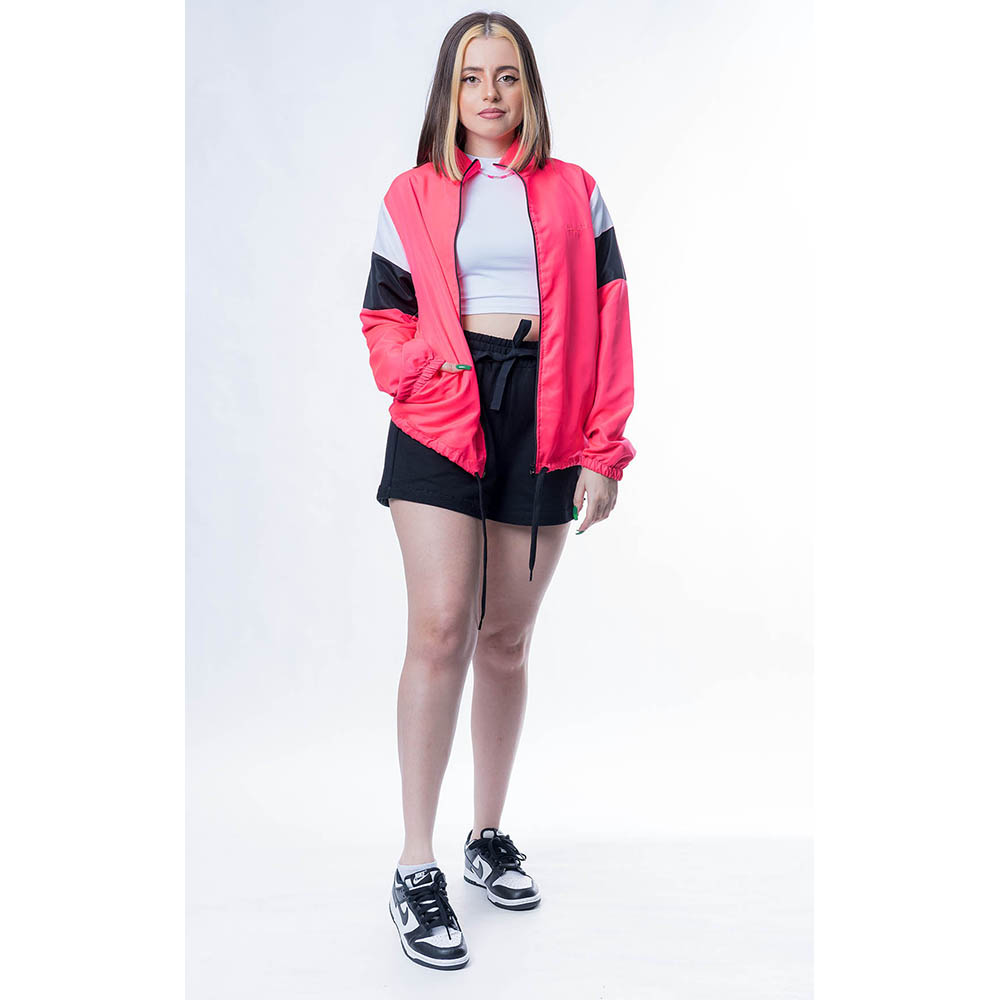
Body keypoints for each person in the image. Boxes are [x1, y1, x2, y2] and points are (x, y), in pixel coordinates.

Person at [360, 12, 637, 971]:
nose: (490, 93)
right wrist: (431, 375)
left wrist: (604, 447)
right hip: (442, 412)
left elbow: (610, 319)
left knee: (506, 640)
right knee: (442, 627)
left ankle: (486, 836)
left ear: (529, 88)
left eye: (507, 75)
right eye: (473, 76)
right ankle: (415, 864)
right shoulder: (410, 194)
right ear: (450, 89)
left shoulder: (577, 192)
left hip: (547, 412)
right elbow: (383, 317)